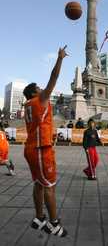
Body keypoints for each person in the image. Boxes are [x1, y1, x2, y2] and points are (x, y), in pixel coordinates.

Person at [23, 46, 68, 237]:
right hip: (41, 149)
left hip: (32, 147)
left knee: (39, 184)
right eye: (39, 88)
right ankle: (54, 223)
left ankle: (39, 218)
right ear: (34, 93)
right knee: (50, 186)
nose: (43, 89)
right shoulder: (38, 100)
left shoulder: (28, 105)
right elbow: (54, 78)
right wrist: (60, 59)